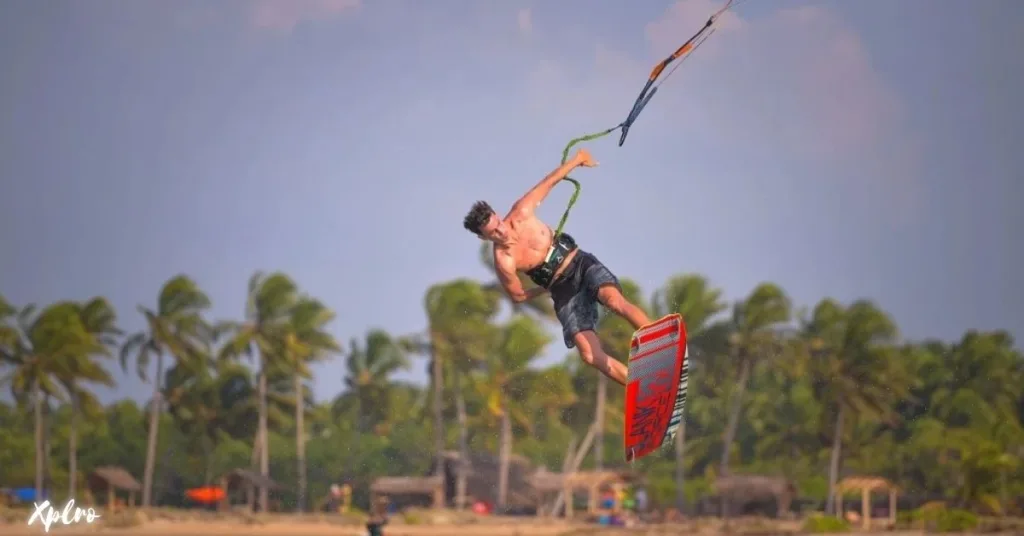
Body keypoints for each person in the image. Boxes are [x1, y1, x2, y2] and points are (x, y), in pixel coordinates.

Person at [462, 147, 651, 386]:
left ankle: (657, 341)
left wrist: (578, 159)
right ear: (483, 238)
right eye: (493, 233)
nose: (501, 231)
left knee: (614, 301)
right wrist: (544, 288)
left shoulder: (522, 211)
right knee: (589, 354)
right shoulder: (504, 262)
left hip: (580, 263)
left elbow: (549, 181)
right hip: (561, 288)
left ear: (498, 215)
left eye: (498, 223)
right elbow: (518, 295)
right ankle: (640, 387)